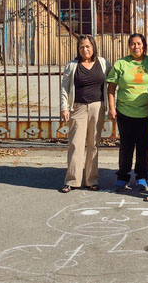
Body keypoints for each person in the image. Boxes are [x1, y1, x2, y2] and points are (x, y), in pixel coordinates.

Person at [60, 35, 112, 193]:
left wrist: (111, 106)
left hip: (98, 106)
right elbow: (65, 87)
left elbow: (111, 83)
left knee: (93, 144)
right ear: (78, 49)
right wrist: (64, 108)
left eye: (88, 46)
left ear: (93, 47)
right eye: (82, 47)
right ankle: (72, 180)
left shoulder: (103, 63)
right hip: (78, 107)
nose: (85, 49)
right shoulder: (72, 65)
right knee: (75, 143)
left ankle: (91, 180)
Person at [107, 33, 148, 191]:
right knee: (126, 146)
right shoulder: (121, 63)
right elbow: (111, 87)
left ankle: (142, 177)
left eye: (139, 44)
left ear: (144, 46)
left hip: (146, 113)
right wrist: (111, 107)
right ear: (129, 46)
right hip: (125, 112)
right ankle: (123, 176)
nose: (136, 47)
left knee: (143, 147)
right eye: (133, 44)